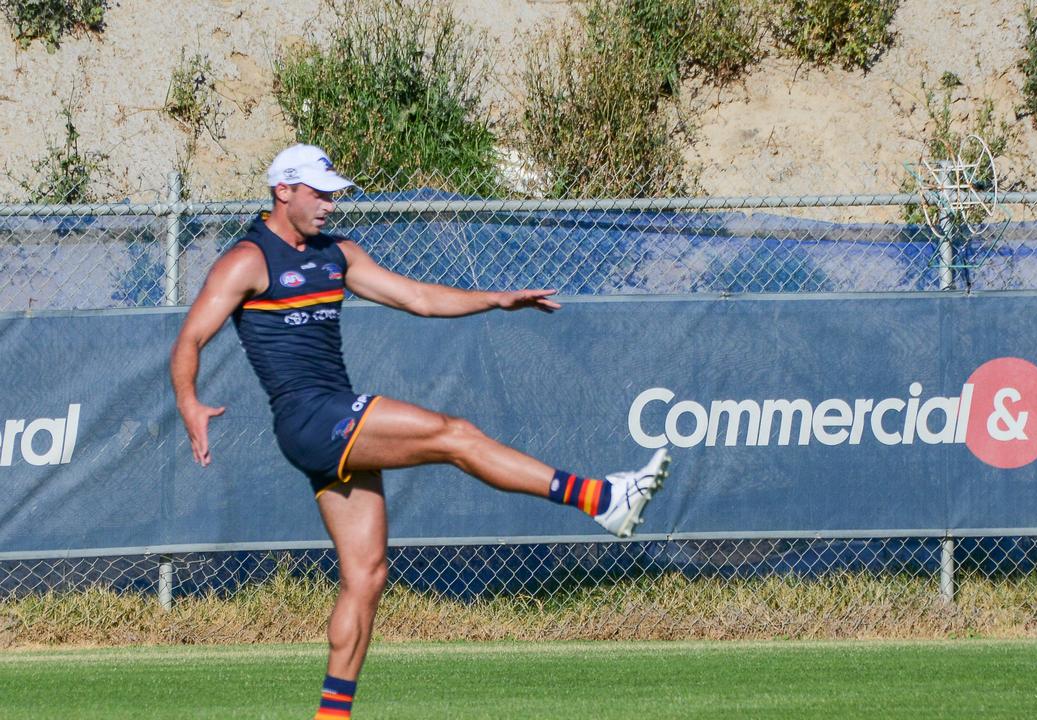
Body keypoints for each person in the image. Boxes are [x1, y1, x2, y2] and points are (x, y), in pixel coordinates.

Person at [169, 144, 670, 720]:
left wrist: (496, 300)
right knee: (454, 435)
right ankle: (601, 498)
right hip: (312, 419)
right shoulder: (246, 261)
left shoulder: (339, 255)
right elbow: (189, 339)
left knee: (367, 575)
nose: (330, 204)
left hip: (328, 424)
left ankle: (331, 716)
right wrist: (190, 403)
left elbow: (418, 298)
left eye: (334, 193)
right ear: (283, 190)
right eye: (319, 192)